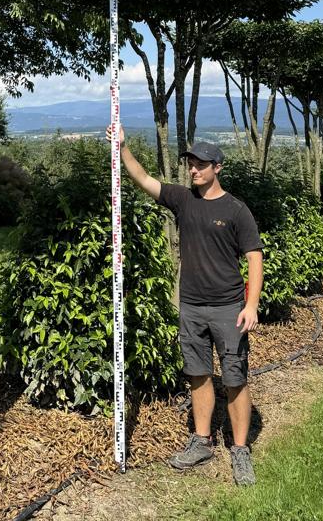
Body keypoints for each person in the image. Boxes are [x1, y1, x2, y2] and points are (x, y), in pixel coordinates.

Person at [106, 124, 263, 486]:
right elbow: (144, 179)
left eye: (201, 164)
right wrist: (122, 147)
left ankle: (240, 450)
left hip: (228, 308)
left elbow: (255, 258)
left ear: (217, 168)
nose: (194, 169)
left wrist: (250, 304)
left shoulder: (237, 210)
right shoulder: (182, 199)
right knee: (198, 373)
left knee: (235, 378)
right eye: (191, 163)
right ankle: (202, 441)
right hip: (191, 306)